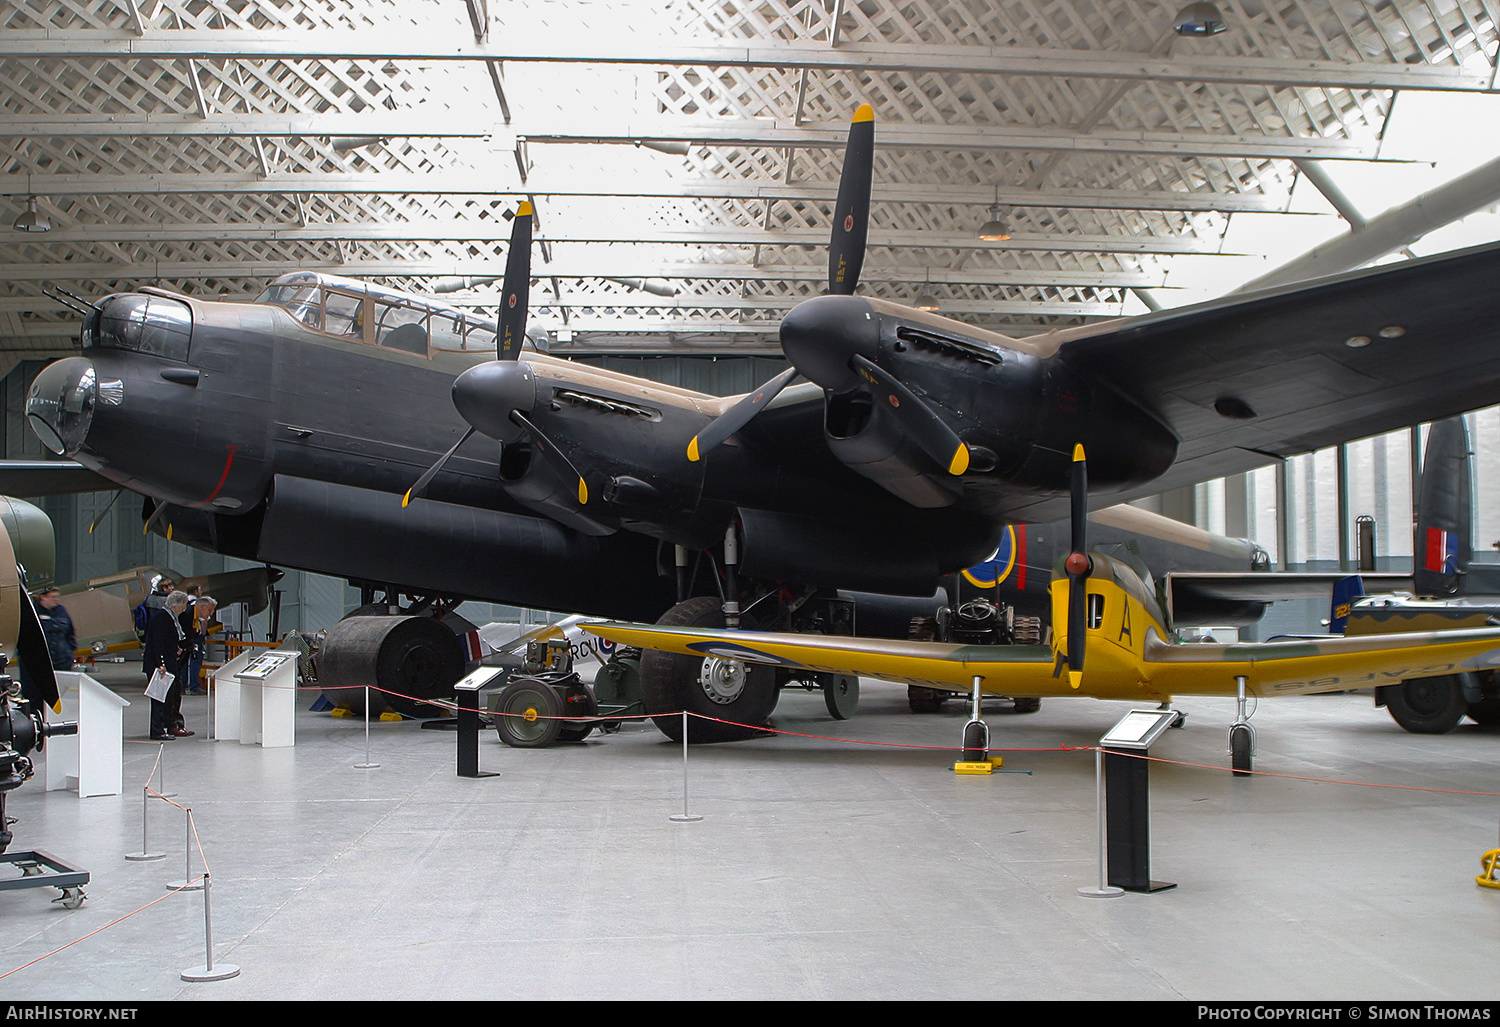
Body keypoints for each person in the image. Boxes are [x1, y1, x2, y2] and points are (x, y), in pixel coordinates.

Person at [142, 590, 191, 740]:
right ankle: (156, 730)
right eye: (183, 605)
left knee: (166, 697)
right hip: (160, 666)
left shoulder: (169, 617)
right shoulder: (162, 618)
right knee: (159, 698)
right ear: (177, 605)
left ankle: (162, 727)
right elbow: (157, 642)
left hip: (168, 662)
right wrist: (161, 663)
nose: (184, 609)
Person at [33, 588, 77, 673]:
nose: (56, 599)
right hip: (42, 660)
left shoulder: (61, 611)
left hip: (63, 659)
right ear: (43, 597)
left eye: (57, 597)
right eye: (53, 597)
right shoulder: (34, 611)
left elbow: (70, 632)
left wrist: (70, 651)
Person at [182, 596, 215, 696]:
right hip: (184, 642)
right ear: (201, 606)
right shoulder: (187, 614)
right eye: (209, 610)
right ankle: (183, 685)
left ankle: (185, 686)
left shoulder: (194, 616)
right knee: (185, 662)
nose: (210, 614)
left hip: (190, 640)